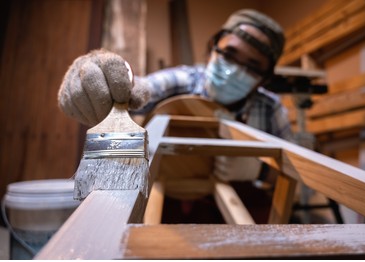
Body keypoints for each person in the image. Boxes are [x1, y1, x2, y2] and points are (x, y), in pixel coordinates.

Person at [58, 9, 293, 184]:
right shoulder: (183, 81)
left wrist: (258, 170)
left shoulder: (271, 110)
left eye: (252, 66)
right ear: (213, 47)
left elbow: (299, 178)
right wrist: (96, 76)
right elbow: (135, 92)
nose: (235, 69)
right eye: (229, 54)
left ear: (264, 78)